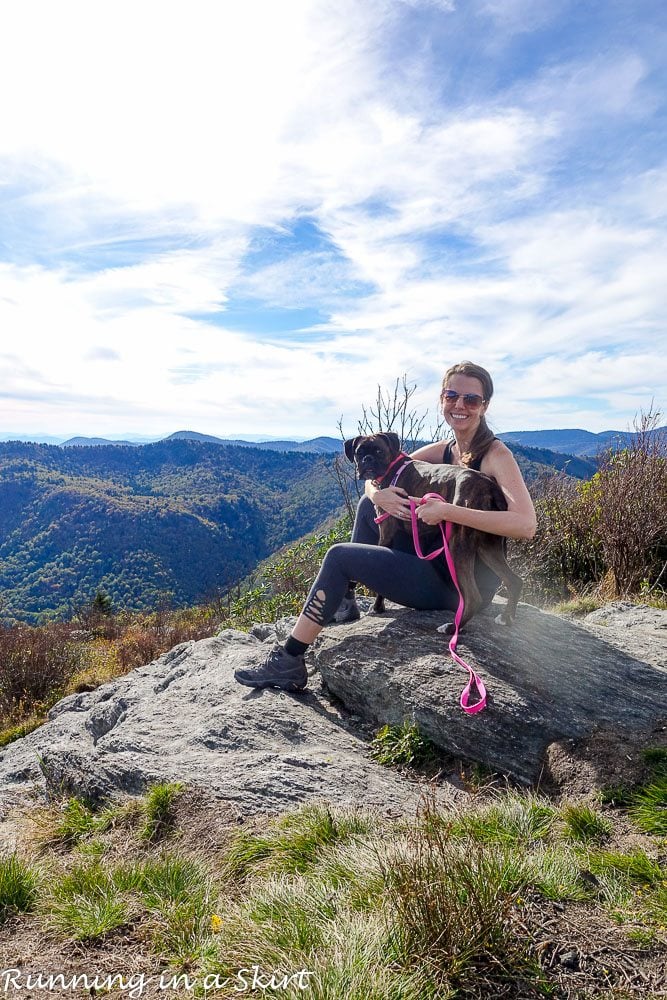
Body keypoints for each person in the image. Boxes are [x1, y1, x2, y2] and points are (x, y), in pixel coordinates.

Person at [234, 361, 537, 691]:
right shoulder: (445, 450)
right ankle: (345, 604)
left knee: (338, 556)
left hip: (460, 587)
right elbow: (385, 474)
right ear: (442, 399)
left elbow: (525, 525)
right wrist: (380, 497)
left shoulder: (496, 456)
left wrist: (448, 512)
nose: (460, 405)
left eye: (471, 399)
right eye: (452, 395)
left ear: (485, 405)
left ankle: (290, 660)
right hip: (436, 565)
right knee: (369, 504)